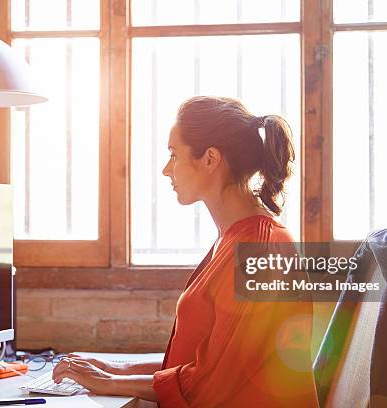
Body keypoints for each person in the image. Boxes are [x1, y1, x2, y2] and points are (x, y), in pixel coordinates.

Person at [52, 96, 319, 407]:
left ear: (210, 159)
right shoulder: (233, 240)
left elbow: (207, 384)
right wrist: (114, 367)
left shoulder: (260, 250)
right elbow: (196, 361)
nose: (167, 170)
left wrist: (108, 382)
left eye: (173, 154)